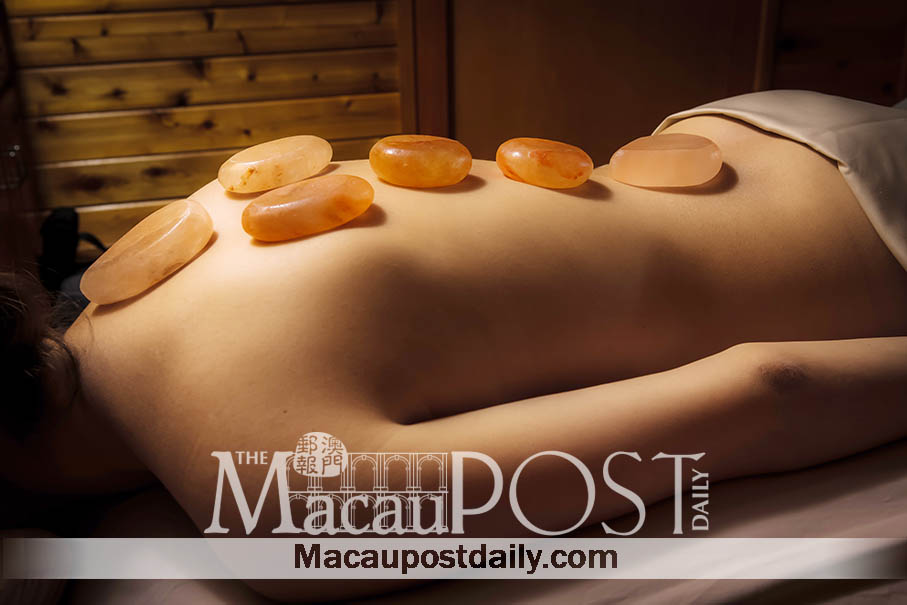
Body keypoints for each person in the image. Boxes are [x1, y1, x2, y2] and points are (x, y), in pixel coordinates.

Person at [2, 91, 907, 601]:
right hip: (749, 130)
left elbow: (768, 390)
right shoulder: (124, 277)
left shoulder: (276, 497)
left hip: (862, 237)